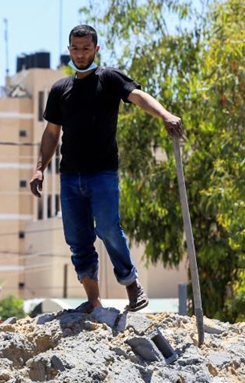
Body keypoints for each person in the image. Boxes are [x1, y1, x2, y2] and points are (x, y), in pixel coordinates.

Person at [30, 24, 184, 314]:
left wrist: (164, 114)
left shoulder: (109, 78)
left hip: (102, 174)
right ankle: (93, 301)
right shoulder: (60, 89)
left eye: (86, 48)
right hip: (70, 177)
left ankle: (131, 285)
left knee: (109, 228)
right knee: (78, 239)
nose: (80, 53)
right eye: (75, 48)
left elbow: (138, 96)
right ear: (69, 50)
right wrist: (40, 168)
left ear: (96, 49)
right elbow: (51, 133)